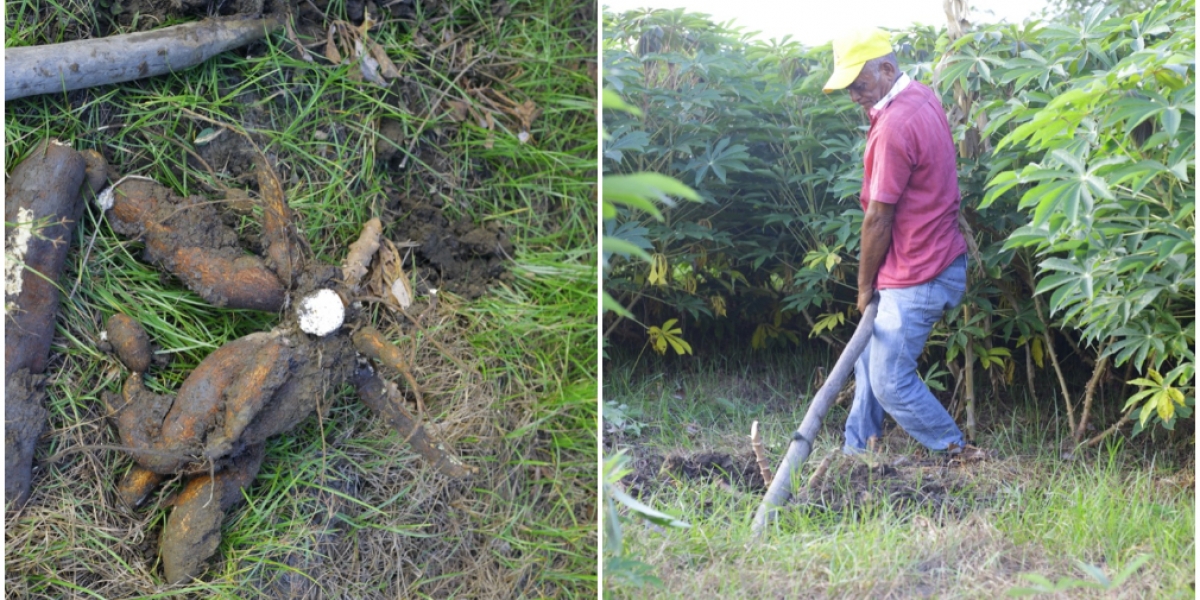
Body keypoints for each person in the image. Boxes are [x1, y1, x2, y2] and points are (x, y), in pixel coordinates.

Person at [822, 28, 981, 457]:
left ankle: (955, 451)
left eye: (859, 84)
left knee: (890, 378)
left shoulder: (894, 125)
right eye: (849, 87)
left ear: (887, 69)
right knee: (868, 357)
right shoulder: (921, 96)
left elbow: (878, 218)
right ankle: (858, 450)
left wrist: (863, 286)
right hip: (929, 258)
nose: (854, 96)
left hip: (920, 270)